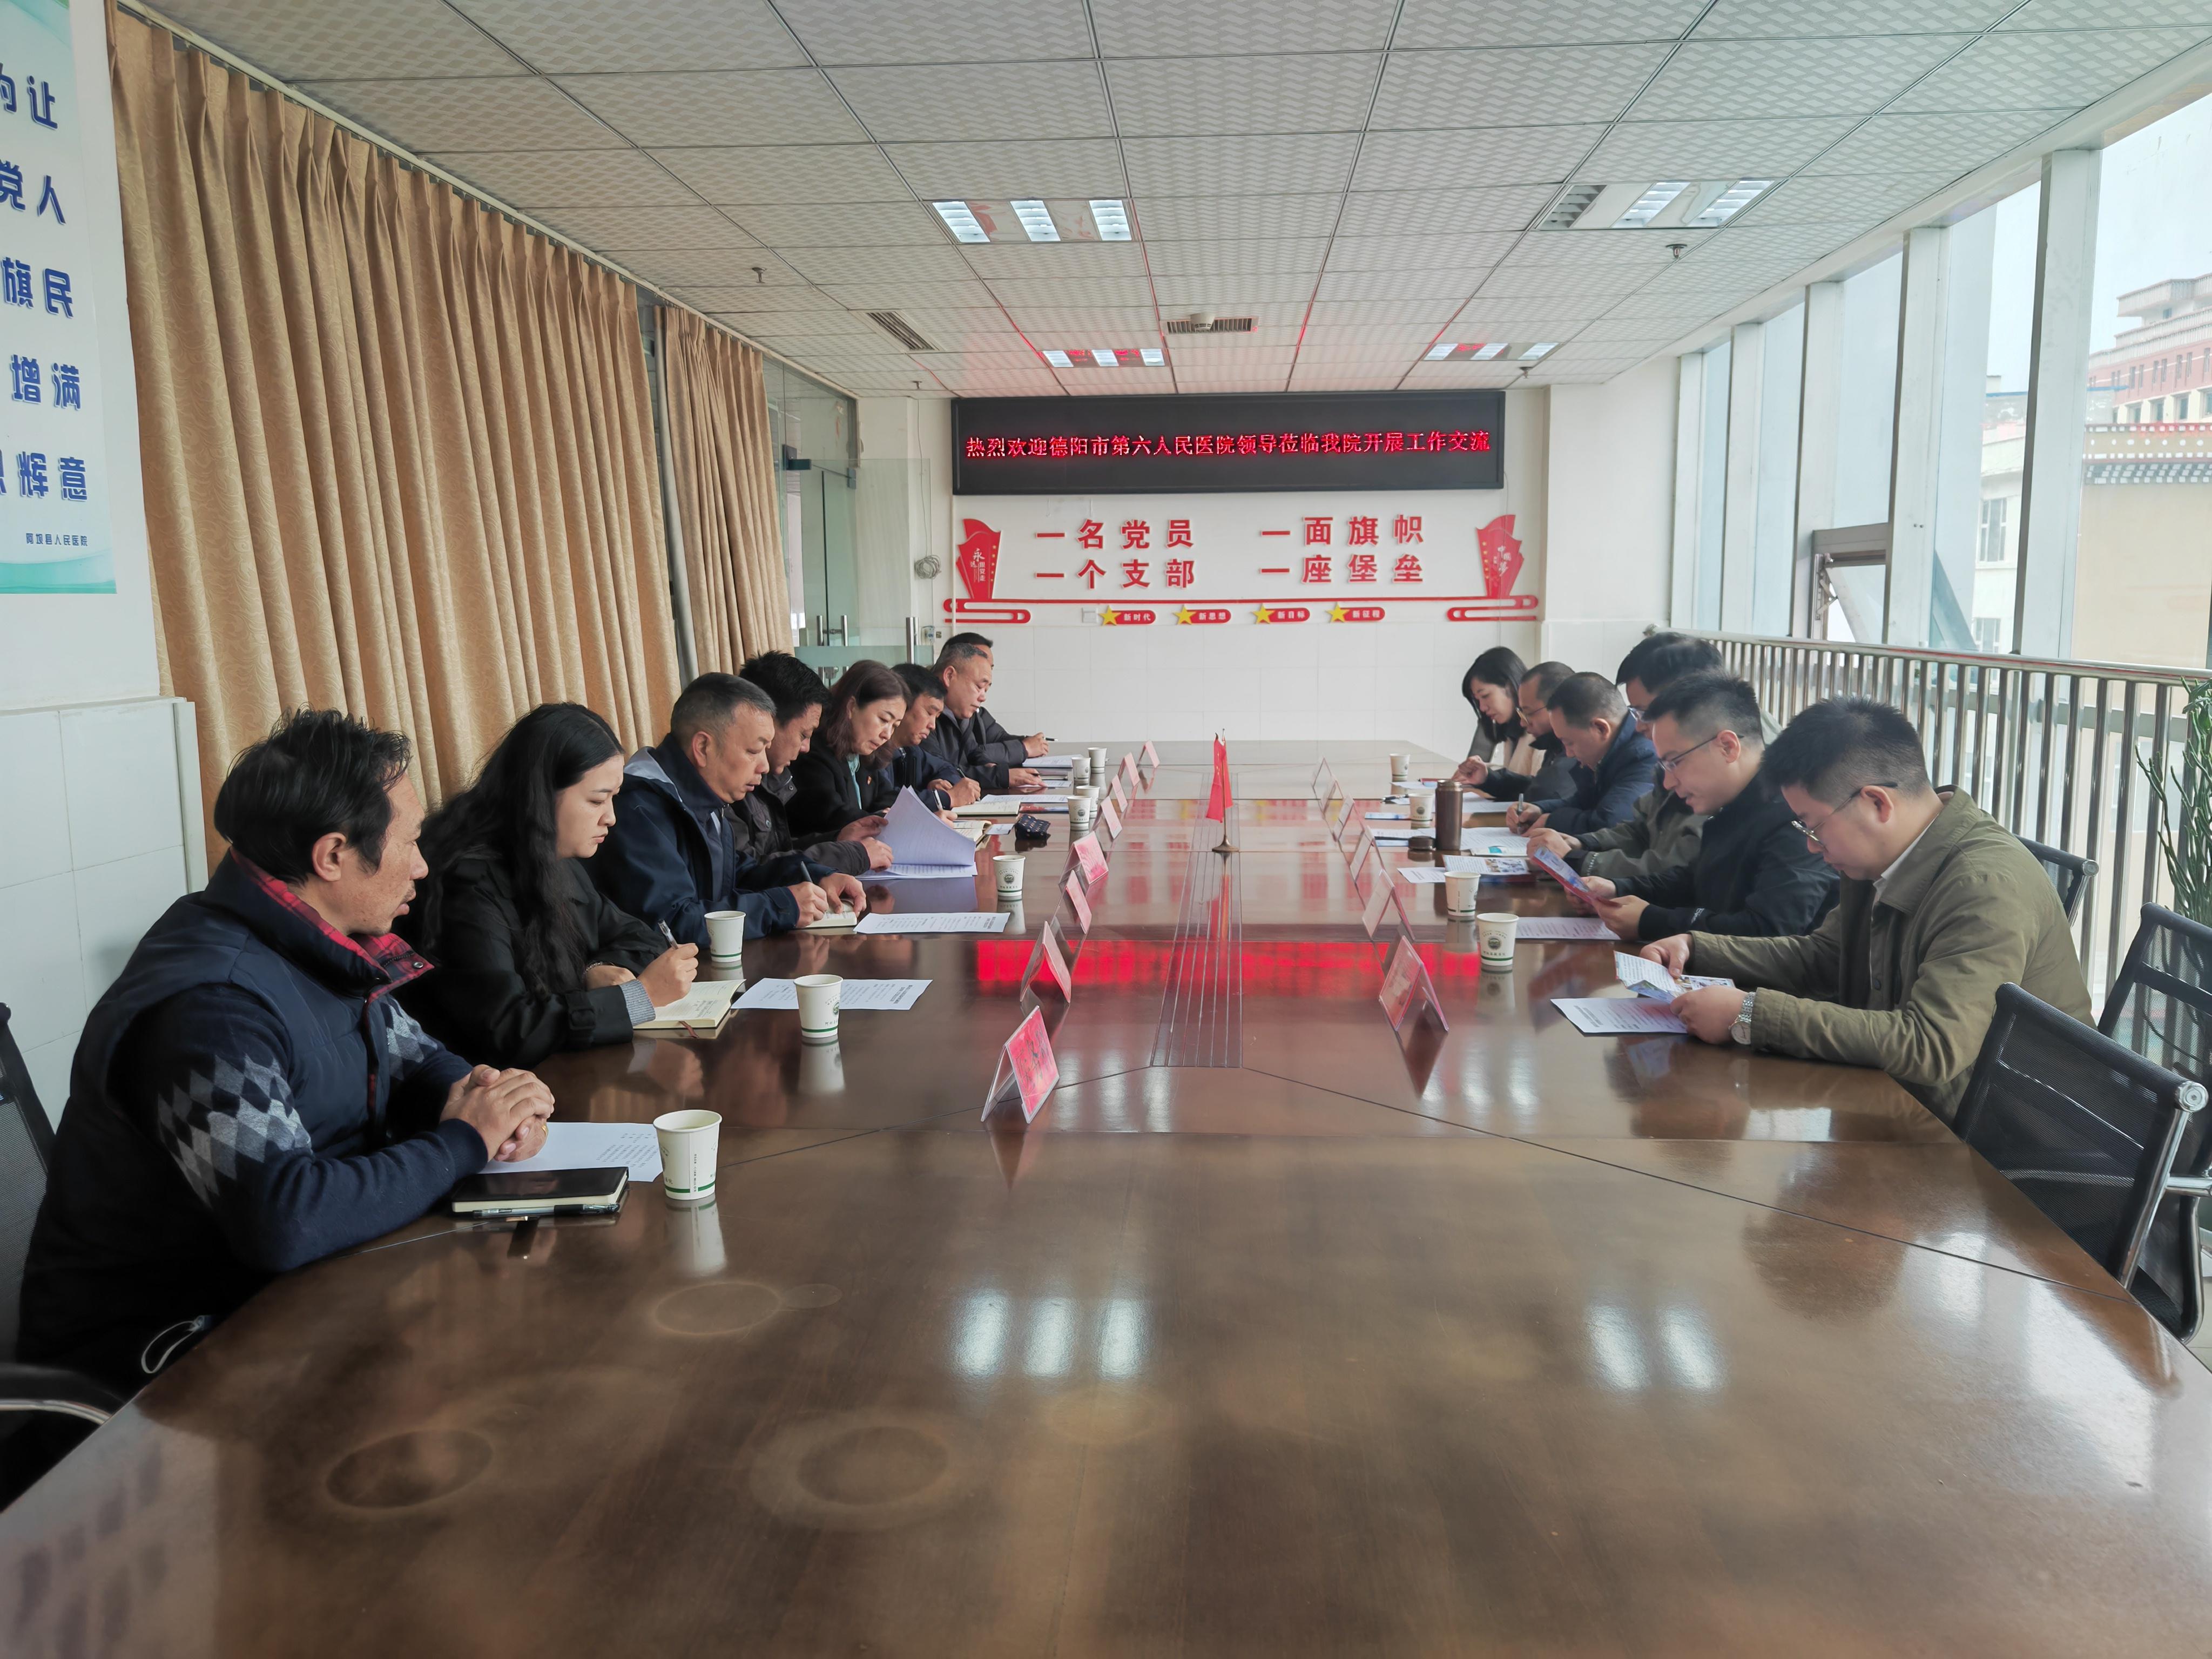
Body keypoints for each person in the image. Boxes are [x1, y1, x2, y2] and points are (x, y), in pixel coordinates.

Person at [19, 711, 555, 1399]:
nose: (422, 866)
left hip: (292, 1305)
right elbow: (285, 1218)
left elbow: (415, 1058)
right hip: (160, 1369)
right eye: (410, 842)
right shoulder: (212, 1005)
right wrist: (464, 1141)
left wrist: (480, 1098)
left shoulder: (314, 941)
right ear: (332, 856)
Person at [1642, 697, 2092, 1120]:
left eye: (1814, 827)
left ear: (1877, 802)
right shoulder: (1881, 858)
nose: (1810, 846)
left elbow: (1931, 1045)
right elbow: (1824, 957)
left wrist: (1750, 1014)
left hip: (2005, 1135)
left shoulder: (1984, 886)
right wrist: (1697, 948)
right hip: (1905, 1102)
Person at [398, 704, 700, 1068]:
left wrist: (595, 969)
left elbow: (639, 936)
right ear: (540, 795)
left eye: (614, 798)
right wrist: (641, 996)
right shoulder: (466, 884)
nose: (611, 817)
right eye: (597, 800)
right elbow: (510, 1029)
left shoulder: (553, 860)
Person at [593, 673, 867, 944]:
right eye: (754, 751)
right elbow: (672, 925)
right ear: (703, 747)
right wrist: (781, 906)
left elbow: (737, 875)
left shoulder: (705, 797)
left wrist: (819, 876)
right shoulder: (640, 809)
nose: (765, 766)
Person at [1574, 672, 1836, 942]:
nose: (1669, 782)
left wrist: (1651, 921)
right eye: (1663, 766)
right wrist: (1618, 889)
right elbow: (1695, 880)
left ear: (1727, 747)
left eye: (1675, 763)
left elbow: (1769, 932)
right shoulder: (1733, 803)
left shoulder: (1794, 816)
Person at [1530, 633, 1726, 880]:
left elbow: (1679, 868)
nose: (1639, 725)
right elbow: (1641, 830)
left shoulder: (1721, 762)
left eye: (1644, 712)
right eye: (1634, 712)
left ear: (1690, 699)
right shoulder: (1671, 756)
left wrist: (1580, 860)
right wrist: (1582, 844)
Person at [738, 651, 894, 874]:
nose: (806, 748)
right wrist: (849, 854)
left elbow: (779, 852)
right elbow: (748, 873)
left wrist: (839, 838)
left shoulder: (773, 778)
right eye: (804, 735)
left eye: (895, 725)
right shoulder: (733, 786)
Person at [1505, 672, 1657, 834]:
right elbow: (1583, 803)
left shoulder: (1643, 756)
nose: (1569, 754)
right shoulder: (1603, 754)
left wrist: (1552, 821)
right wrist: (1540, 810)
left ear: (1601, 728)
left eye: (1569, 743)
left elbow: (1611, 822)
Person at [790, 659, 909, 840]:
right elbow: (833, 817)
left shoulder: (863, 753)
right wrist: (885, 819)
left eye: (895, 726)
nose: (887, 734)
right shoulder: (812, 753)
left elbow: (889, 795)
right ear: (851, 707)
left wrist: (885, 814)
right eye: (884, 720)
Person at [929, 633, 1045, 793]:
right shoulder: (925, 713)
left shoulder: (962, 713)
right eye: (979, 687)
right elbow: (939, 771)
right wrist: (1001, 776)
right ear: (949, 676)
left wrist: (989, 767)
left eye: (986, 689)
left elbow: (974, 754)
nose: (983, 697)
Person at [1458, 659, 1577, 801]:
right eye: (1522, 713)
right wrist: (1488, 778)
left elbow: (1545, 794)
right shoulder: (1552, 744)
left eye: (1529, 713)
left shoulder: (1576, 748)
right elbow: (1535, 786)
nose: (1523, 722)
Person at [885, 662, 979, 811]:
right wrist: (947, 798)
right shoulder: (874, 750)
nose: (933, 725)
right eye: (929, 713)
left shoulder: (910, 750)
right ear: (903, 704)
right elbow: (886, 799)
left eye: (937, 717)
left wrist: (939, 782)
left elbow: (946, 768)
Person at [1456, 646, 1535, 775]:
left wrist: (1488, 777)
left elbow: (1537, 784)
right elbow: (1515, 775)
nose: (1482, 708)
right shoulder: (1512, 728)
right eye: (1478, 700)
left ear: (1510, 686)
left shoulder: (1539, 730)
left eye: (1485, 696)